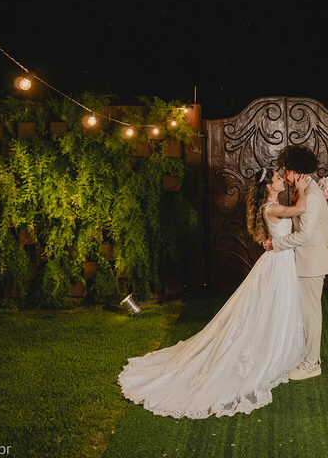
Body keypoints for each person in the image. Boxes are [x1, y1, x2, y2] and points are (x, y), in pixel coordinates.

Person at [117, 167, 311, 419]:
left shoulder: (272, 204)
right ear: (269, 187)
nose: (282, 180)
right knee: (271, 306)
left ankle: (281, 347)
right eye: (277, 179)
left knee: (276, 306)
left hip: (280, 261)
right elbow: (301, 210)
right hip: (278, 263)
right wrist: (302, 190)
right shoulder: (271, 208)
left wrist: (296, 192)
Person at [263, 145, 328, 380]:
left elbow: (304, 235)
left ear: (298, 172)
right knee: (305, 312)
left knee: (310, 314)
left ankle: (312, 363)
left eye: (287, 171)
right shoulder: (304, 192)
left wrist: (276, 244)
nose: (285, 176)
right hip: (304, 260)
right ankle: (308, 355)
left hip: (311, 262)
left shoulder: (313, 197)